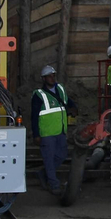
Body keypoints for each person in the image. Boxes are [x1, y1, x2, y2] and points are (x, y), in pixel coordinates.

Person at [31, 65, 76, 197]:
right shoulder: (39, 95)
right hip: (47, 133)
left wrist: (73, 107)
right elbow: (34, 116)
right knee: (49, 159)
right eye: (49, 76)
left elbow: (68, 101)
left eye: (53, 75)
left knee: (61, 155)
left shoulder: (60, 89)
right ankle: (54, 184)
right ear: (44, 79)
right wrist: (36, 135)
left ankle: (44, 174)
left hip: (60, 131)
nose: (52, 78)